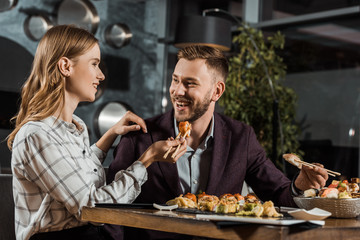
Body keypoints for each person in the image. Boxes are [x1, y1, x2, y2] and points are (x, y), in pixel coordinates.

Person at [106, 45, 328, 239]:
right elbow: (109, 209)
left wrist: (300, 186)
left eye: (190, 83)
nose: (177, 91)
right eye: (175, 80)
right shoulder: (138, 136)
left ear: (217, 91)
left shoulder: (242, 137)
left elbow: (278, 192)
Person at [6, 25, 187, 240]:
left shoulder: (74, 127)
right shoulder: (36, 135)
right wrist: (147, 159)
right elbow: (92, 208)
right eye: (94, 64)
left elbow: (75, 172)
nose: (100, 75)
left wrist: (110, 134)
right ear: (65, 66)